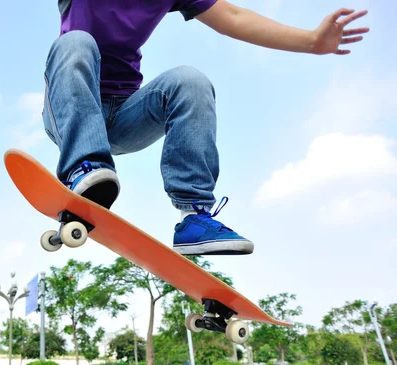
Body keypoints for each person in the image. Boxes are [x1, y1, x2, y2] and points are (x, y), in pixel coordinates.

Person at [41, 0, 368, 255]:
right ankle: (86, 169)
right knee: (75, 43)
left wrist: (312, 41)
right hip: (71, 107)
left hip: (127, 115)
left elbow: (235, 18)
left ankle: (194, 216)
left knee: (190, 80)